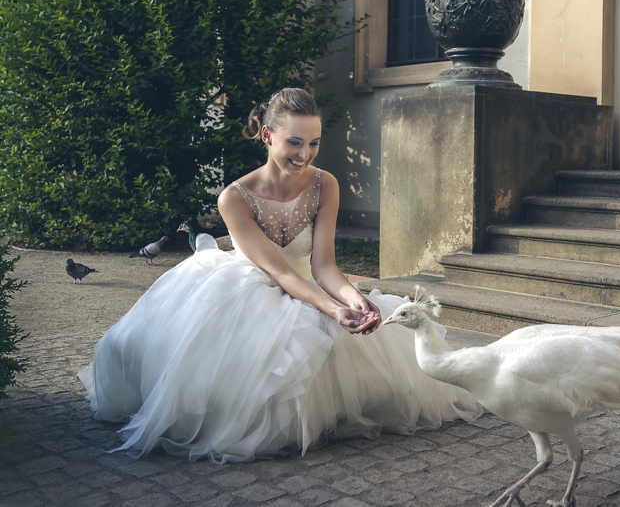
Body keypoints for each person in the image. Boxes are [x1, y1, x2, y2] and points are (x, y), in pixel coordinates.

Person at [78, 88, 482, 463]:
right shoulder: (234, 198)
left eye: (314, 143)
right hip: (251, 287)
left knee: (375, 348)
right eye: (294, 141)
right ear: (268, 135)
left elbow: (323, 265)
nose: (305, 154)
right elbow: (282, 274)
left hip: (309, 280)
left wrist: (354, 299)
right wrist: (333, 309)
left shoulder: (327, 185)